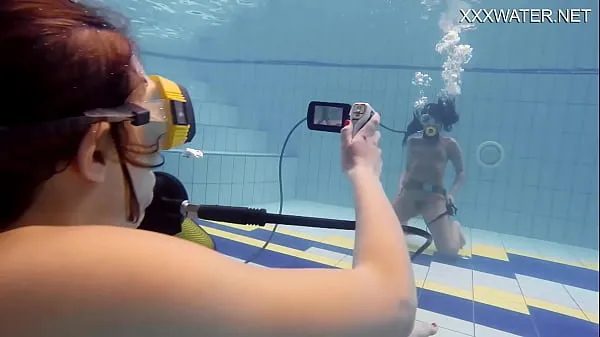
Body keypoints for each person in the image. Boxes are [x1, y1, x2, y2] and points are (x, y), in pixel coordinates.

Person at [0, 1, 436, 336]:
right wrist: (364, 172)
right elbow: (390, 305)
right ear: (95, 153)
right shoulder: (84, 270)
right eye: (152, 132)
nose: (158, 163)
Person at [392, 97, 466, 257]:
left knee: (449, 252)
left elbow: (461, 171)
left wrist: (451, 195)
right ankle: (401, 226)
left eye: (436, 121)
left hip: (434, 198)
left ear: (441, 123)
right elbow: (407, 169)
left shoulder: (449, 144)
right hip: (409, 195)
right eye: (426, 120)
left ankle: (455, 228)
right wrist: (401, 187)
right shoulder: (413, 141)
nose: (430, 125)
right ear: (422, 121)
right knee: (383, 236)